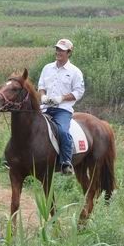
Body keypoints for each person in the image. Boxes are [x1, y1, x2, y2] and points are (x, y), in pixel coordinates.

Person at [38, 38, 85, 175]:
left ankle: (66, 162)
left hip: (63, 110)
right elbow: (41, 86)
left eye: (62, 50)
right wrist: (42, 96)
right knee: (26, 125)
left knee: (63, 131)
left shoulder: (75, 72)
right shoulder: (47, 68)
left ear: (69, 53)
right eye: (57, 49)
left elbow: (78, 92)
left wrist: (62, 98)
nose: (58, 52)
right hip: (45, 108)